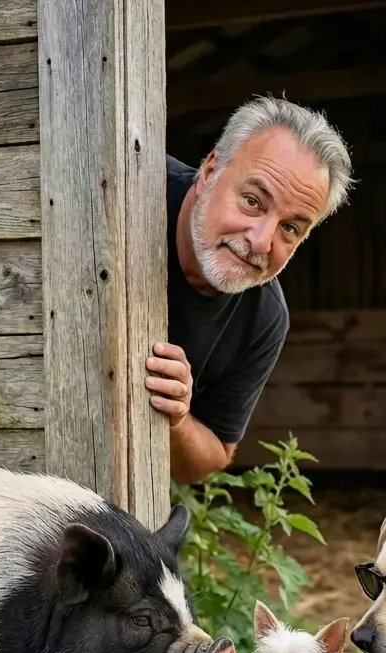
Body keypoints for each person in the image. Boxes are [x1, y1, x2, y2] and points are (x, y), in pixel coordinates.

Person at [146, 97, 354, 484]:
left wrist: (177, 418)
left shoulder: (265, 318)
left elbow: (211, 456)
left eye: (289, 228)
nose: (261, 241)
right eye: (253, 201)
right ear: (210, 171)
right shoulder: (126, 183)